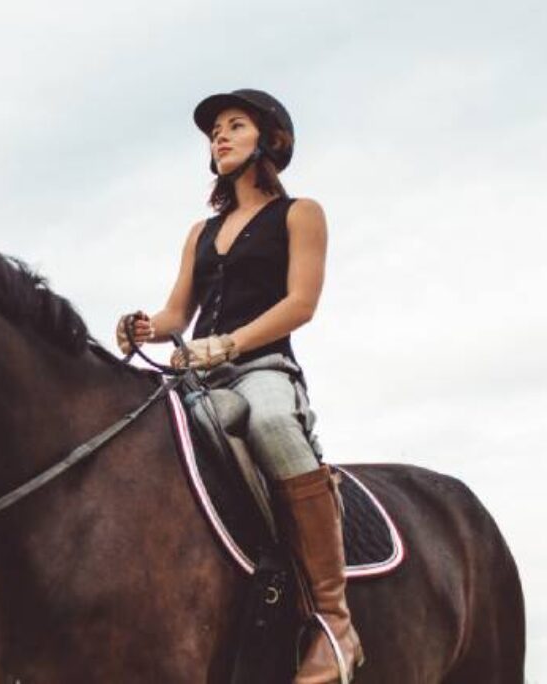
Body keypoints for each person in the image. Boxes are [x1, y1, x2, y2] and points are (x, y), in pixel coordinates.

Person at [116, 89, 363, 683]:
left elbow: (302, 304)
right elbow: (178, 314)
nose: (219, 137)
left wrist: (229, 344)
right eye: (214, 132)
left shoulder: (300, 213)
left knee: (272, 423)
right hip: (200, 374)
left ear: (270, 140)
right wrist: (145, 327)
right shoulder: (201, 231)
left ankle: (334, 619)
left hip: (264, 369)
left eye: (234, 125)